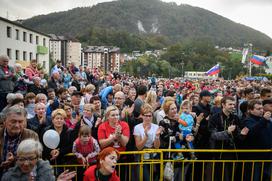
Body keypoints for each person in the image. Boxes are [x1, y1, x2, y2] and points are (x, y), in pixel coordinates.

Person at [2, 139, 76, 181]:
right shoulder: (8, 177)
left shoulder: (46, 172)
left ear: (37, 158)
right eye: (22, 159)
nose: (26, 163)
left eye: (30, 158)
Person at [0, 106, 39, 178]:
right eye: (13, 121)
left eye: (20, 122)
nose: (17, 125)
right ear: (5, 121)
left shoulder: (32, 136)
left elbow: (36, 159)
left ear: (25, 122)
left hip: (22, 177)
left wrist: (15, 160)